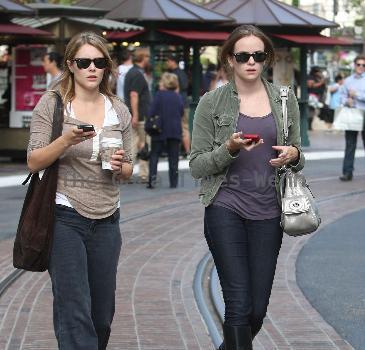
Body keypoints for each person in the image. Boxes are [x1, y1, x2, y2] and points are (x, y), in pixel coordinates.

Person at [189, 25, 304, 350]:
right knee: (238, 305)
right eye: (243, 56)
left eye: (258, 55)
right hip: (225, 207)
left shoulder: (284, 99)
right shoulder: (212, 103)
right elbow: (197, 164)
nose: (251, 61)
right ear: (230, 59)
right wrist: (229, 149)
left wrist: (293, 154)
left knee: (257, 309)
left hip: (269, 211)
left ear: (266, 58)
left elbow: (297, 154)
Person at [27, 31, 133, 349]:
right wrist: (65, 140)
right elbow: (34, 160)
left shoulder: (118, 109)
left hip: (107, 220)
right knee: (75, 313)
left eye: (99, 62)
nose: (92, 68)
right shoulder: (53, 104)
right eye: (84, 62)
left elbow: (130, 170)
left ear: (107, 67)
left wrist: (120, 167)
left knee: (101, 317)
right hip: (64, 216)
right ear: (71, 64)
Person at [147, 72, 184, 189]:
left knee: (155, 155)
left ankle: (152, 181)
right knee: (174, 158)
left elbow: (151, 112)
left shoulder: (159, 95)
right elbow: (182, 112)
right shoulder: (178, 96)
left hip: (160, 129)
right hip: (175, 130)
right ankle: (174, 183)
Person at [124, 47, 151, 183]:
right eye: (147, 57)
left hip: (134, 115)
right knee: (144, 144)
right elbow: (134, 95)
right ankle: (144, 174)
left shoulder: (131, 72)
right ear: (143, 57)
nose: (149, 60)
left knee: (133, 144)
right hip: (140, 116)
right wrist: (135, 115)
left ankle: (128, 173)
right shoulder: (138, 74)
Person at [339, 55, 365, 181]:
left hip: (364, 114)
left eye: (363, 65)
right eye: (358, 64)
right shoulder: (348, 81)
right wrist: (346, 101)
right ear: (354, 66)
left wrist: (357, 95)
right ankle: (347, 172)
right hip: (352, 114)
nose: (361, 67)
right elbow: (341, 96)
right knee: (350, 144)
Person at [166, 54, 190, 156]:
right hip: (184, 104)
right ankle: (187, 151)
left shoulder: (175, 74)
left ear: (172, 61)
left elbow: (179, 89)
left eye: (168, 61)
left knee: (182, 128)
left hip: (179, 105)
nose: (167, 63)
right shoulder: (182, 73)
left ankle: (187, 151)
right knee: (184, 128)